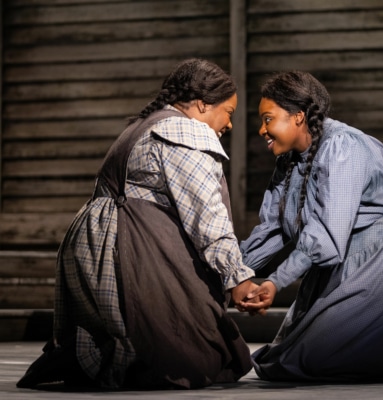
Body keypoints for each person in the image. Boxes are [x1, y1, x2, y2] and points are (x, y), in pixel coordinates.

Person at [17, 58, 258, 390]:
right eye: (228, 112)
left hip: (92, 244)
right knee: (197, 357)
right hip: (125, 250)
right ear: (203, 103)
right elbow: (206, 214)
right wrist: (237, 277)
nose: (229, 124)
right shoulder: (183, 131)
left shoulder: (145, 125)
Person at [238, 70, 383, 382]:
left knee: (306, 360)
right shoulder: (290, 161)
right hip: (337, 264)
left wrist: (275, 282)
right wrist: (232, 273)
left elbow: (327, 231)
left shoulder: (343, 149)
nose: (261, 130)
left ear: (297, 117)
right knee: (283, 361)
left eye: (268, 119)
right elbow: (274, 229)